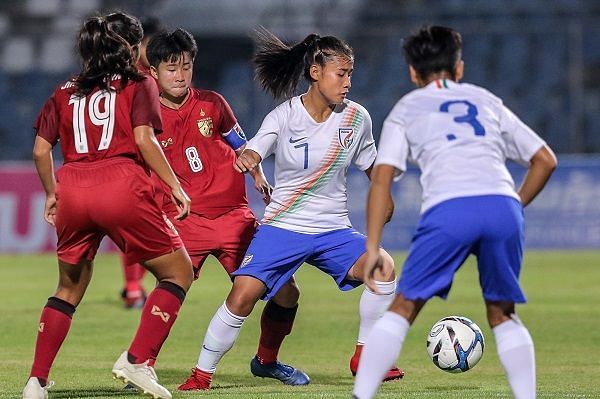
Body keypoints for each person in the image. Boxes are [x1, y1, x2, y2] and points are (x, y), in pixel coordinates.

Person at [185, 28, 403, 391]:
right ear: (316, 72)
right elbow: (259, 145)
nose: (348, 82)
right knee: (243, 296)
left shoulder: (356, 117)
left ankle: (365, 355)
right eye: (342, 73)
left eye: (350, 74)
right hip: (284, 225)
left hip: (333, 229)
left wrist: (385, 193)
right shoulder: (284, 115)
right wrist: (251, 156)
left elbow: (373, 166)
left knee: (383, 267)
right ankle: (201, 375)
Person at [352, 25, 557, 399]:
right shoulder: (485, 99)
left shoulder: (406, 108)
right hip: (501, 205)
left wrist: (372, 248)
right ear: (459, 68)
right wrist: (514, 205)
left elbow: (382, 178)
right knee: (502, 313)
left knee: (404, 307)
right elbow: (544, 160)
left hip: (450, 209)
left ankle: (361, 395)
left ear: (413, 73)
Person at [22, 12, 194, 399]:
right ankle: (136, 360)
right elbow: (145, 140)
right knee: (178, 272)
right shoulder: (139, 82)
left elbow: (39, 149)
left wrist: (52, 192)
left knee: (67, 288)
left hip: (74, 187)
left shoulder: (64, 90)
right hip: (120, 184)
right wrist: (175, 186)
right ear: (134, 48)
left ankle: (36, 380)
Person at [142, 28, 309, 390]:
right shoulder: (145, 118)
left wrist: (260, 176)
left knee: (287, 292)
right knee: (169, 288)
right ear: (153, 72)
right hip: (186, 220)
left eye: (186, 66)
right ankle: (142, 364)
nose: (181, 75)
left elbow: (242, 143)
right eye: (171, 68)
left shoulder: (212, 103)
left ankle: (266, 360)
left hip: (235, 218)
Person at [119, 15, 164, 309]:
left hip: (151, 161)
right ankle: (135, 288)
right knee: (135, 230)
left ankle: (135, 286)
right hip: (137, 162)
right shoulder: (138, 78)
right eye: (152, 45)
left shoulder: (157, 73)